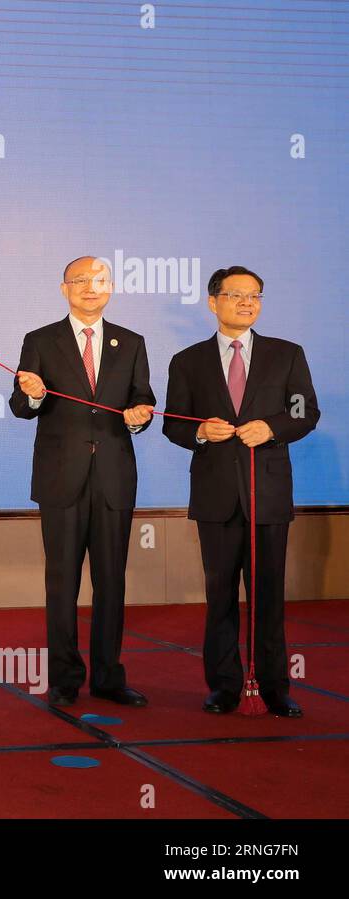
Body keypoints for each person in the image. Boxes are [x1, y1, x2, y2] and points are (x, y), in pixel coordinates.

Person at [163, 266, 318, 717]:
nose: (247, 303)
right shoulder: (187, 361)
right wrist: (200, 433)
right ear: (214, 302)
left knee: (268, 596)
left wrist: (271, 427)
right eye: (236, 295)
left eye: (255, 296)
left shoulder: (286, 355)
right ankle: (225, 685)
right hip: (216, 495)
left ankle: (274, 687)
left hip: (267, 493)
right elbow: (175, 423)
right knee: (221, 595)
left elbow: (305, 412)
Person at [10, 256, 156, 708]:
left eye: (99, 281)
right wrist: (32, 396)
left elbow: (143, 398)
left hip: (113, 476)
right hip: (61, 477)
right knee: (62, 580)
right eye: (81, 281)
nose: (91, 288)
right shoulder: (40, 340)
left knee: (112, 580)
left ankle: (110, 676)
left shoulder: (130, 342)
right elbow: (20, 403)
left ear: (110, 288)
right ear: (64, 288)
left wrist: (138, 417)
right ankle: (65, 676)